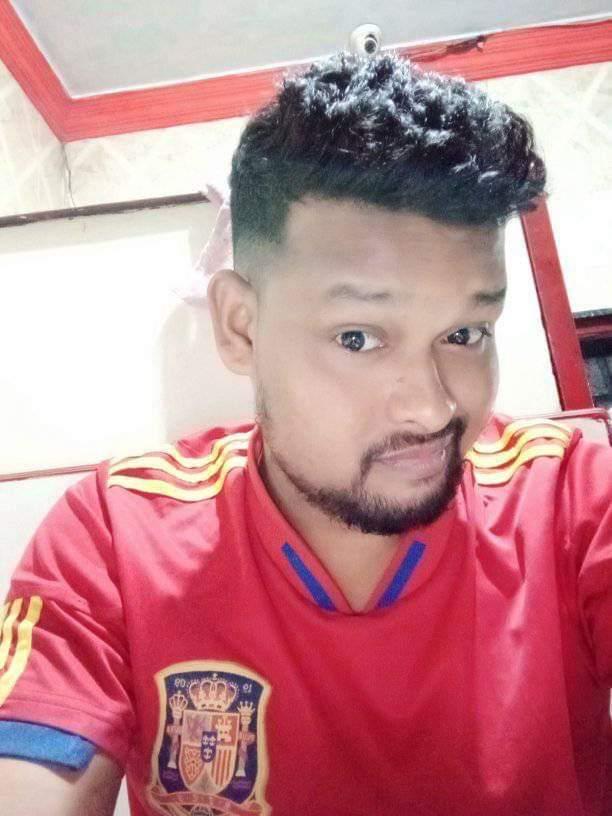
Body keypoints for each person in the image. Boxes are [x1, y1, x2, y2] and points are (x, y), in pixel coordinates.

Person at [0, 50, 610, 816]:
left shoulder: (573, 493)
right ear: (240, 327)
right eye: (358, 337)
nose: (431, 408)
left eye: (465, 333)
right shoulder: (117, 534)